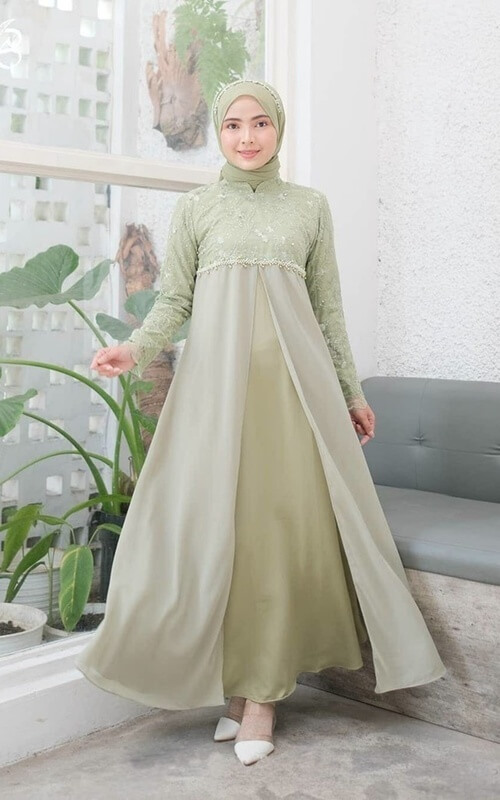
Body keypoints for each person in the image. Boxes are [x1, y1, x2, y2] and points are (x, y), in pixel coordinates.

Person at [75, 79, 446, 767]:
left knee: (274, 536)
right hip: (213, 396)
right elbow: (174, 301)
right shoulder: (197, 209)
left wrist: (350, 392)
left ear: (278, 128)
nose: (247, 137)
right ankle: (239, 689)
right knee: (223, 535)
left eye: (260, 124)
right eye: (233, 125)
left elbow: (328, 310)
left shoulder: (309, 206)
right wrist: (135, 350)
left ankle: (263, 699)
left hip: (295, 395)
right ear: (219, 132)